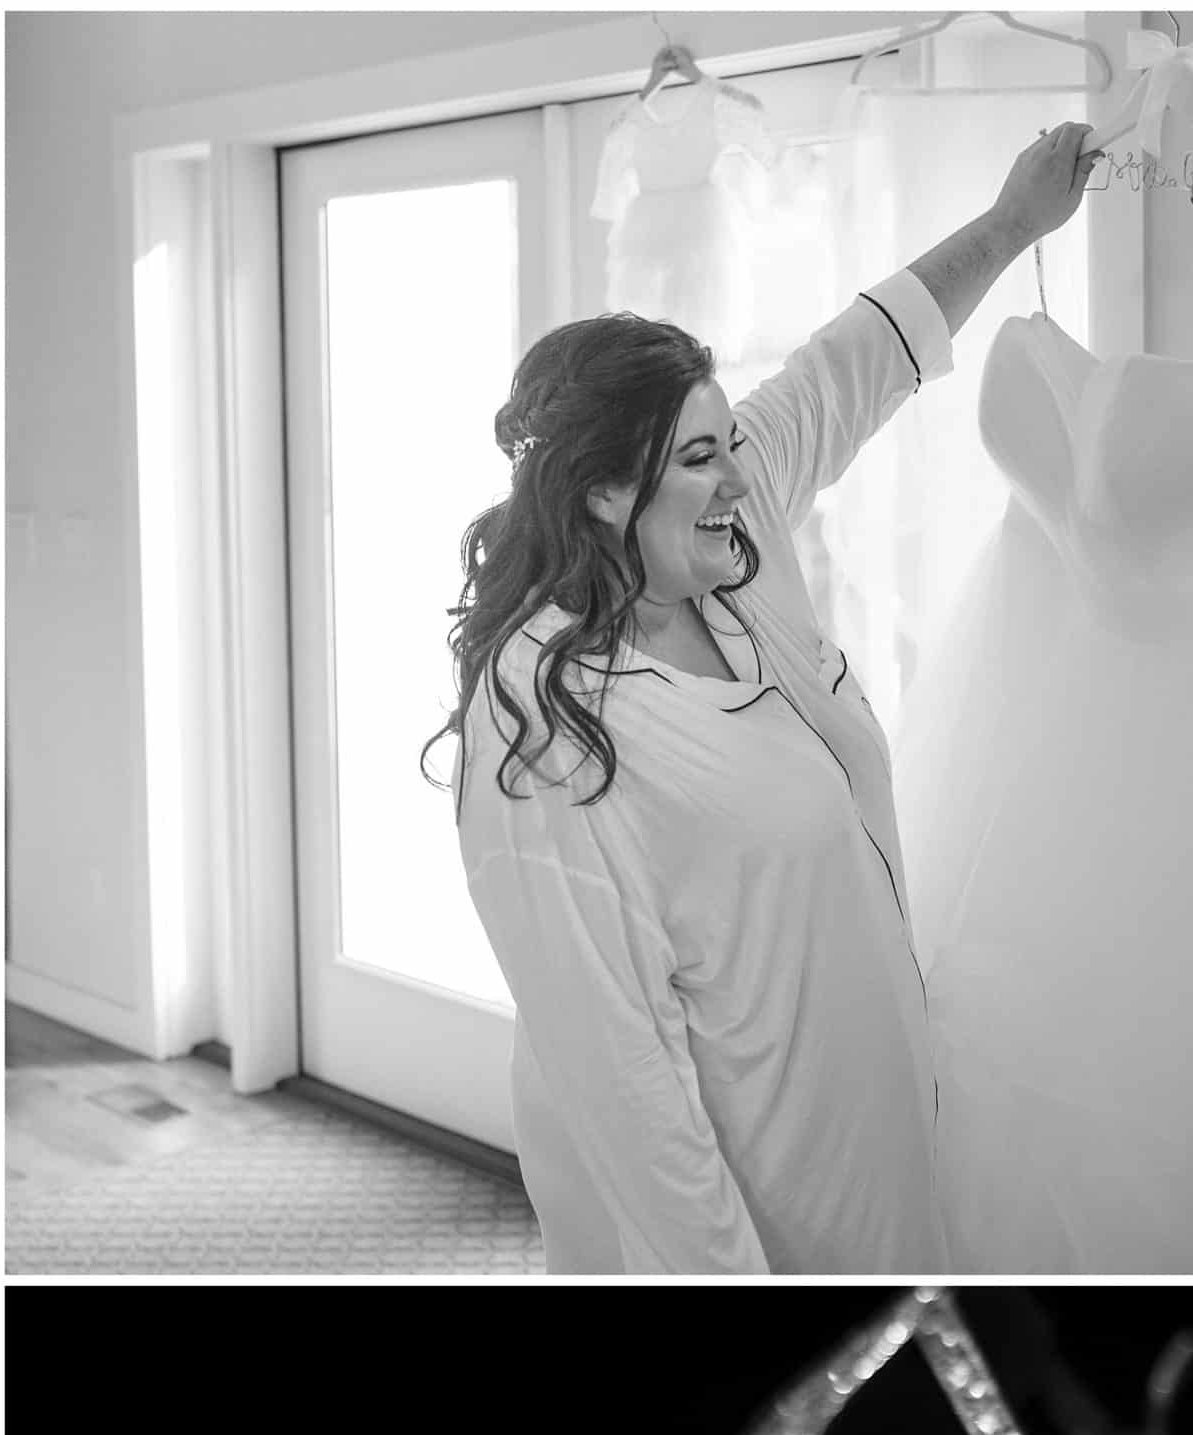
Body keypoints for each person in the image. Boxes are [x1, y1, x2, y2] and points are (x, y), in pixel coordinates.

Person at [424, 129, 1099, 1275]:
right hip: (747, 1203)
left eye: (731, 440)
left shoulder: (731, 542)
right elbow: (623, 1085)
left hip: (873, 1134)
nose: (739, 475)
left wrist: (1014, 224)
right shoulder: (545, 731)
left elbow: (858, 359)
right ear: (598, 491)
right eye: (698, 456)